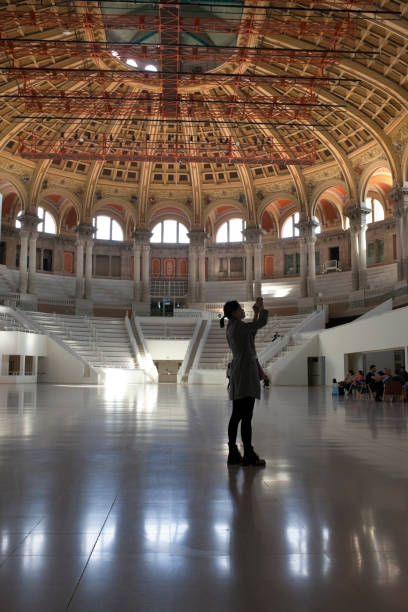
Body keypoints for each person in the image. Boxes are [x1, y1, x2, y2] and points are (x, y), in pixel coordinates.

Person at [220, 297, 268, 467]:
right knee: (246, 416)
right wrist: (261, 310)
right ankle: (248, 454)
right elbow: (259, 324)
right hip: (245, 372)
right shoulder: (238, 326)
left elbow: (251, 333)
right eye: (240, 308)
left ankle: (234, 453)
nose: (242, 311)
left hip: (241, 371)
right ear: (233, 312)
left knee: (238, 415)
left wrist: (255, 314)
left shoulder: (234, 326)